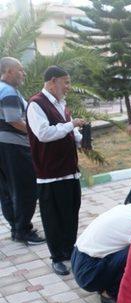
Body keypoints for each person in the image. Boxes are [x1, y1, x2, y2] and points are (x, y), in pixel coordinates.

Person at [26, 66, 84, 276]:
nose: (68, 87)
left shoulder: (62, 104)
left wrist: (79, 136)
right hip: (50, 174)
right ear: (52, 82)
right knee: (53, 217)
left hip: (69, 171)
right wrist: (70, 126)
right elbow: (43, 133)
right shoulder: (36, 104)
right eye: (65, 82)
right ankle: (57, 257)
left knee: (71, 213)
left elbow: (67, 130)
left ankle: (69, 251)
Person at [71, 192, 131, 303]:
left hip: (78, 259)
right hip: (88, 273)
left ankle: (107, 285)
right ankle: (111, 293)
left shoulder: (126, 208)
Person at [0, 57, 45, 245]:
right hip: (13, 147)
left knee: (6, 190)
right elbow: (14, 120)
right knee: (26, 187)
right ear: (8, 71)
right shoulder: (8, 92)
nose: (23, 73)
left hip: (3, 147)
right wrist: (38, 132)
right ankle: (23, 230)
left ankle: (16, 228)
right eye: (20, 70)